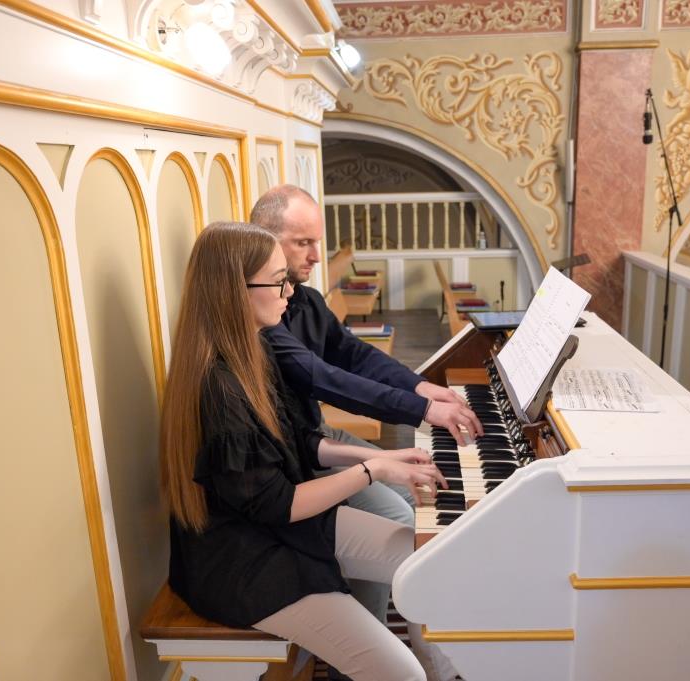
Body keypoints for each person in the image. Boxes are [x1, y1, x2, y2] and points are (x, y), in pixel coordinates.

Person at [160, 223, 457, 681]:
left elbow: (299, 443)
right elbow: (280, 504)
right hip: (246, 560)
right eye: (278, 281)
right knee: (403, 673)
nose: (290, 291)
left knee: (432, 561)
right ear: (235, 291)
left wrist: (382, 460)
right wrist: (373, 470)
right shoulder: (220, 387)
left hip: (280, 528)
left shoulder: (254, 350)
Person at [250, 185, 484, 639]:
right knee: (393, 521)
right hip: (293, 458)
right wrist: (422, 410)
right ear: (265, 241)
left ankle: (420, 639)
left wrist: (420, 385)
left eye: (317, 242)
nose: (316, 256)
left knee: (416, 498)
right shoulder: (262, 318)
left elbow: (353, 355)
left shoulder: (305, 299)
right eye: (303, 243)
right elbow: (325, 379)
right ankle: (368, 644)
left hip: (316, 436)